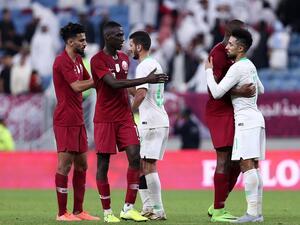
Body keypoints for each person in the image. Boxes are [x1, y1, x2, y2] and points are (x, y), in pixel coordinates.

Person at [90, 21, 168, 223]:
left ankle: (128, 208)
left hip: (124, 116)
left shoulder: (124, 58)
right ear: (108, 37)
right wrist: (144, 82)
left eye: (123, 35)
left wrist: (138, 91)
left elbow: (125, 87)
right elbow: (114, 84)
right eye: (119, 35)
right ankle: (107, 212)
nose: (123, 39)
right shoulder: (97, 60)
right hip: (105, 118)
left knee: (135, 157)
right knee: (103, 164)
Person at [205, 28, 265, 223]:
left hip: (244, 120)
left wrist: (207, 71)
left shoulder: (237, 67)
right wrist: (240, 90)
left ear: (241, 47)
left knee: (247, 165)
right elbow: (261, 89)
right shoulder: (250, 65)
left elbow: (216, 93)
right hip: (256, 117)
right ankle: (258, 213)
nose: (226, 47)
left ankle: (252, 214)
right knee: (254, 166)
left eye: (230, 44)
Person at [52, 22, 99, 221]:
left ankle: (78, 211)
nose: (85, 43)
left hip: (78, 119)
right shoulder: (61, 61)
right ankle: (62, 213)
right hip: (65, 119)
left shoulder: (79, 60)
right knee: (64, 165)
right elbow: (78, 86)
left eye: (85, 39)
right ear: (70, 42)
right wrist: (102, 79)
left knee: (82, 165)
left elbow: (93, 81)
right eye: (81, 40)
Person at [128, 30, 169, 220]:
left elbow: (142, 94)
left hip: (151, 122)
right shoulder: (155, 64)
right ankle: (148, 207)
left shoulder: (144, 66)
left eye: (131, 45)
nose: (129, 49)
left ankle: (158, 210)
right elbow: (141, 91)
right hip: (158, 119)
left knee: (149, 166)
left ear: (139, 46)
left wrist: (128, 111)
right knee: (143, 165)